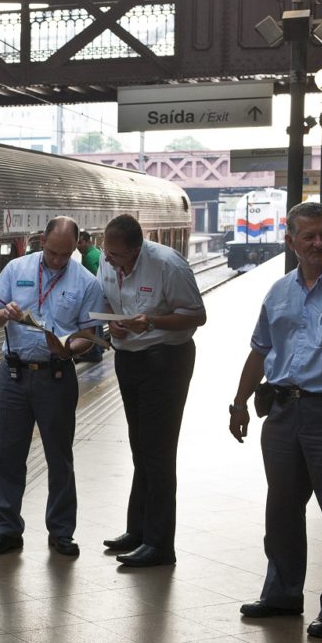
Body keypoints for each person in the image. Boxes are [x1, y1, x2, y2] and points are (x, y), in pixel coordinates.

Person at [227, 202, 322, 638]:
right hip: (283, 411)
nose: (318, 243)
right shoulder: (278, 292)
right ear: (290, 240)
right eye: (308, 236)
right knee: (282, 509)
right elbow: (260, 349)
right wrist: (238, 402)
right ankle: (283, 594)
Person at [0, 217, 103, 560]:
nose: (57, 260)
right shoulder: (16, 268)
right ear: (41, 242)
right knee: (8, 455)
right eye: (51, 252)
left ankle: (61, 532)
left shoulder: (87, 282)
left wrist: (68, 348)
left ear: (75, 247)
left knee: (59, 457)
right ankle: (7, 530)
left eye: (65, 254)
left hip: (57, 377)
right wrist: (4, 313)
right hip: (14, 375)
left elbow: (90, 336)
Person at [98, 214, 207, 568]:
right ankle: (139, 530)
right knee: (140, 447)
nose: (110, 261)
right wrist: (116, 325)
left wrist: (152, 321)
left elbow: (196, 315)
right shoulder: (107, 259)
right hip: (129, 359)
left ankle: (160, 545)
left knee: (158, 452)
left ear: (137, 248)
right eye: (107, 253)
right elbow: (112, 302)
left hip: (166, 360)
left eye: (118, 256)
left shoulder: (167, 265)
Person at [76, 230, 106, 362]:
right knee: (96, 323)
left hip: (93, 297)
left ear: (88, 241)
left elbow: (93, 281)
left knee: (91, 323)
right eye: (77, 243)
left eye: (80, 242)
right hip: (98, 297)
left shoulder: (89, 257)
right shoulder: (95, 252)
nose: (78, 246)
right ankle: (99, 348)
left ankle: (95, 352)